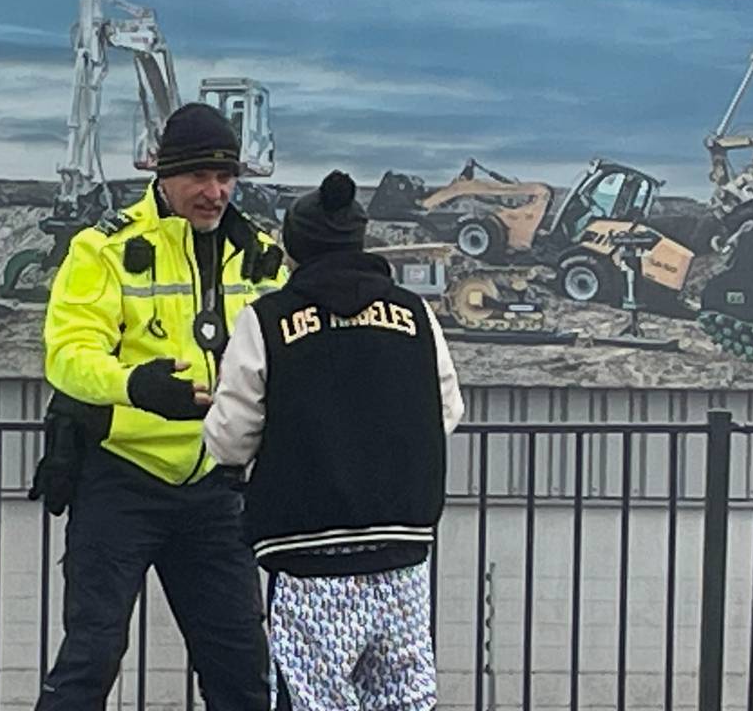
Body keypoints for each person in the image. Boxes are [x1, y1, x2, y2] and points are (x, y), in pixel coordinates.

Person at [34, 102, 286, 709]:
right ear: (164, 176)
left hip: (213, 485)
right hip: (122, 479)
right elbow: (66, 356)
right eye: (199, 176)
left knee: (243, 670)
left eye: (226, 177)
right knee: (89, 661)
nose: (215, 191)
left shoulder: (261, 254)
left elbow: (288, 352)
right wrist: (135, 384)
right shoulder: (104, 248)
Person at [203, 170, 464, 710]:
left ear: (293, 247)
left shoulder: (267, 321)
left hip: (307, 558)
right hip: (402, 557)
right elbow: (447, 411)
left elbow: (230, 440)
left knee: (312, 699)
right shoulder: (416, 316)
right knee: (402, 700)